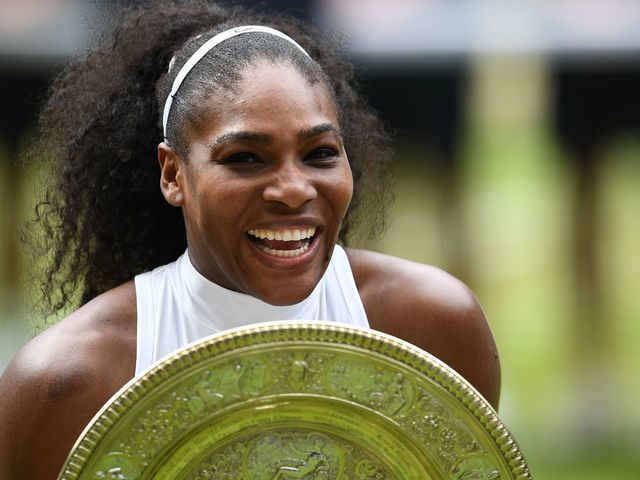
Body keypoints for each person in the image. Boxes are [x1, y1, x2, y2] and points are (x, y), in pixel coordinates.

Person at [0, 1, 500, 478]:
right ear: (173, 174)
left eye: (320, 153)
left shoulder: (431, 330)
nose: (292, 189)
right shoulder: (68, 384)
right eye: (244, 158)